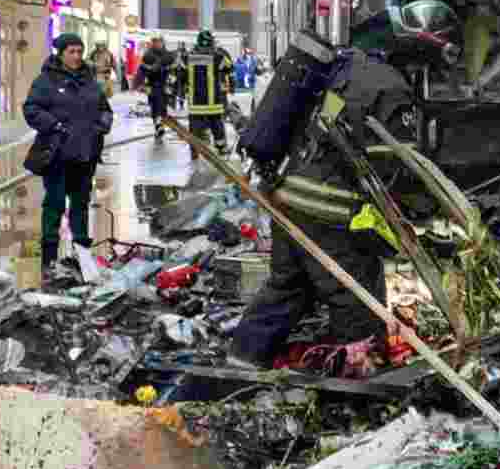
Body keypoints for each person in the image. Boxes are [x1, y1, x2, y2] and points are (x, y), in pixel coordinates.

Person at [228, 34, 419, 374]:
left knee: (288, 287)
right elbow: (394, 161)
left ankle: (240, 362)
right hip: (326, 210)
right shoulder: (392, 87)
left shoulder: (344, 75)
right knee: (357, 298)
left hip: (286, 197)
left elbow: (323, 128)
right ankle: (355, 387)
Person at [23, 33, 113, 278]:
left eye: (78, 51)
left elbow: (105, 109)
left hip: (85, 154)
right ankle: (49, 260)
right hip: (57, 155)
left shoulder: (89, 80)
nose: (76, 56)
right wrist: (54, 125)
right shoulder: (46, 80)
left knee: (81, 204)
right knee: (54, 203)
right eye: (71, 51)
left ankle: (82, 256)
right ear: (61, 54)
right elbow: (31, 108)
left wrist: (100, 127)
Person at [185, 30, 233, 158]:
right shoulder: (217, 57)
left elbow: (180, 73)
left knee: (194, 128)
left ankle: (194, 151)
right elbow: (229, 67)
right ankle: (221, 148)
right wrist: (219, 51)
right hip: (213, 102)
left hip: (195, 103)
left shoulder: (188, 56)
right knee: (217, 126)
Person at [140, 36, 175, 142]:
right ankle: (158, 126)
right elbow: (142, 70)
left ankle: (160, 125)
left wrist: (171, 81)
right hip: (153, 84)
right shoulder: (148, 55)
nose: (157, 44)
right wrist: (143, 84)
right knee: (155, 106)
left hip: (165, 85)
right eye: (155, 42)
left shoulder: (168, 55)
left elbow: (173, 70)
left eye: (159, 42)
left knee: (163, 107)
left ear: (162, 42)